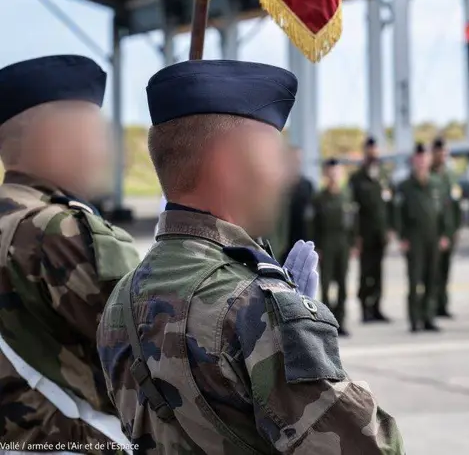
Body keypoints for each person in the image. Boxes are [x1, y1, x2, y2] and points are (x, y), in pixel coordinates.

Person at [96, 60, 404, 453]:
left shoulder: (122, 297)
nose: (284, 177)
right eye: (273, 158)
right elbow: (369, 447)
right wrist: (305, 332)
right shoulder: (253, 305)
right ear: (229, 165)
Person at [0, 55, 139, 452]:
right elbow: (163, 349)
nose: (105, 152)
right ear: (56, 138)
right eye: (95, 134)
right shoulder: (59, 230)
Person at [394, 143, 453, 333]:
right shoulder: (405, 186)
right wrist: (402, 237)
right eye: (418, 158)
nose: (421, 162)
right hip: (414, 238)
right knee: (414, 280)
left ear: (429, 160)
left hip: (434, 237)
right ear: (413, 161)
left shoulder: (438, 183)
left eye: (424, 158)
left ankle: (428, 317)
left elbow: (445, 211)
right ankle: (414, 319)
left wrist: (445, 234)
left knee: (432, 279)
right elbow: (397, 214)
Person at [309, 158, 358, 337]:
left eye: (336, 172)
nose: (334, 175)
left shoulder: (347, 195)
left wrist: (353, 243)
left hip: (343, 243)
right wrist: (316, 246)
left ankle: (341, 321)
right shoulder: (319, 198)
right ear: (325, 174)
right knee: (326, 283)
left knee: (343, 283)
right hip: (326, 242)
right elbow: (312, 225)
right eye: (330, 172)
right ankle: (327, 322)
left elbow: (353, 221)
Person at [349, 136, 393, 323]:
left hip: (380, 235)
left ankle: (377, 307)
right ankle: (365, 308)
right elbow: (352, 210)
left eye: (375, 150)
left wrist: (390, 229)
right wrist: (355, 236)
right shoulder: (356, 179)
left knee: (378, 272)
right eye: (370, 150)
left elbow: (390, 206)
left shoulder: (383, 177)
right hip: (364, 234)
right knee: (365, 272)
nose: (373, 153)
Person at [430, 136, 461, 319]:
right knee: (433, 271)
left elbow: (456, 204)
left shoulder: (450, 176)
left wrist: (456, 229)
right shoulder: (430, 175)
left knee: (445, 270)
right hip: (434, 232)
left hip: (449, 231)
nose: (442, 155)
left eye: (444, 152)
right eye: (438, 152)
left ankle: (442, 304)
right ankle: (432, 305)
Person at [285, 146, 315, 256]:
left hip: (303, 239)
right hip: (284, 241)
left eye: (299, 160)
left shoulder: (308, 185)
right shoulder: (280, 186)